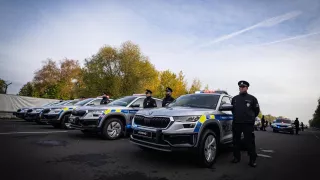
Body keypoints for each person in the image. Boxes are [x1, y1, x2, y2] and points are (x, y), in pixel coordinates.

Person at [231, 80, 260, 167]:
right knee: (236, 141)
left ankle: (252, 160)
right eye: (240, 87)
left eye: (243, 87)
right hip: (237, 123)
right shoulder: (234, 99)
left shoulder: (252, 98)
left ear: (247, 88)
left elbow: (256, 111)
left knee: (250, 142)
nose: (241, 88)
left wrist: (250, 118)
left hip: (248, 124)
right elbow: (233, 110)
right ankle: (236, 158)